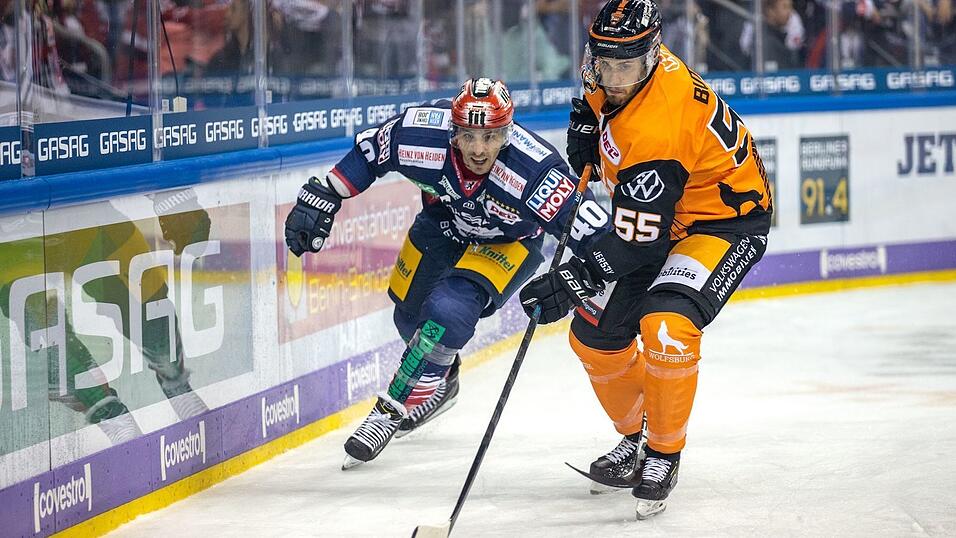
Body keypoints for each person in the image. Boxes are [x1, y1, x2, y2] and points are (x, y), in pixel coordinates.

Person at [518, 0, 772, 519]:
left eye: (624, 66)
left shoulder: (659, 125)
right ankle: (636, 437)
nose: (612, 76)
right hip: (663, 216)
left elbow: (639, 243)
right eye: (603, 62)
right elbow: (601, 100)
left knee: (666, 326)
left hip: (721, 225)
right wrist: (589, 123)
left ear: (651, 57)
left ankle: (663, 451)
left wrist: (574, 278)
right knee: (594, 336)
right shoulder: (624, 70)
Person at [284, 77, 610, 469]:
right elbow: (372, 150)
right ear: (452, 130)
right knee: (408, 313)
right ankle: (444, 377)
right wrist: (329, 191)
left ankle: (392, 409)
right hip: (447, 219)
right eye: (468, 135)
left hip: (509, 241)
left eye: (490, 137)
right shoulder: (422, 133)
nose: (477, 149)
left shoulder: (533, 170)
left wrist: (589, 273)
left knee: (447, 311)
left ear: (506, 134)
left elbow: (592, 229)